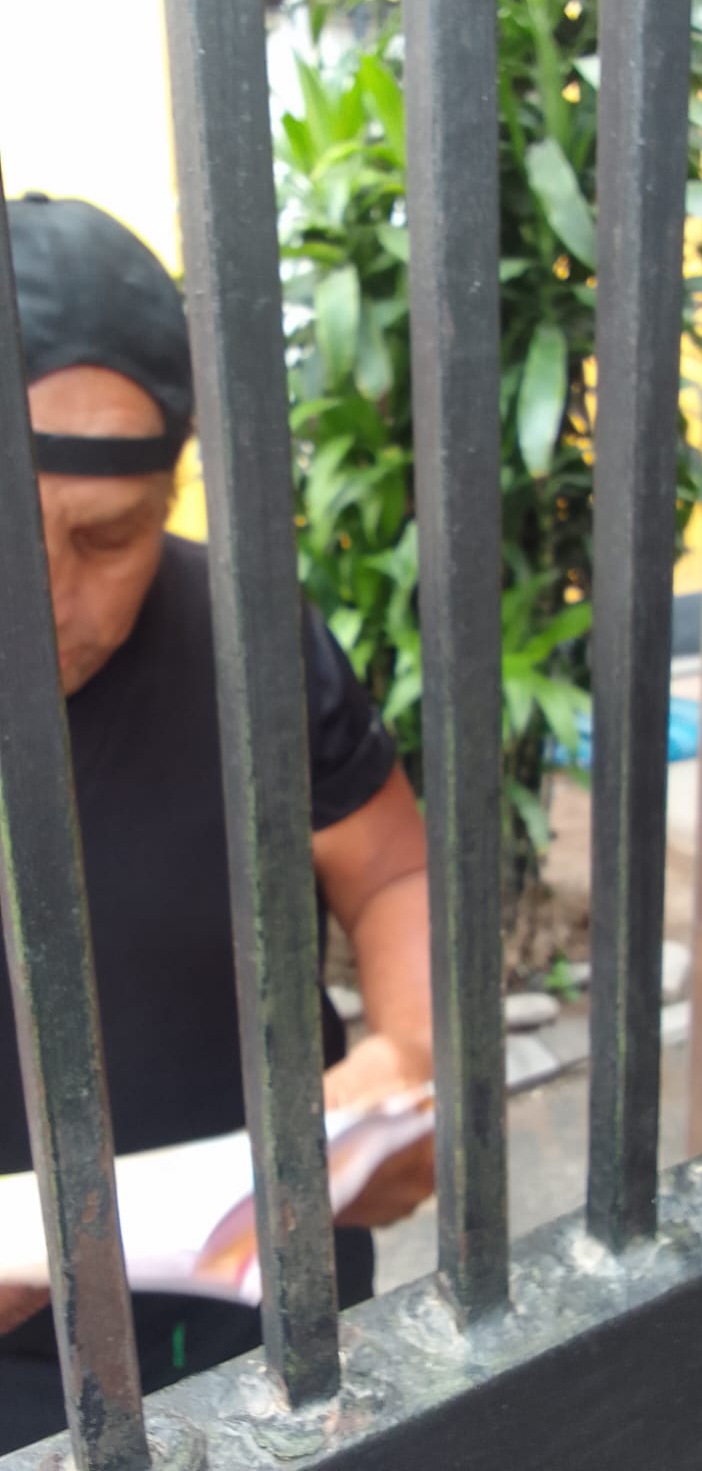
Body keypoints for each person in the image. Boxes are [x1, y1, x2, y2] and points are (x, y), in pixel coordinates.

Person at [0, 196, 434, 1452]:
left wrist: (411, 1055)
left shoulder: (242, 632)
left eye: (110, 537)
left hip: (279, 1305)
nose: (53, 601)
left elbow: (390, 871)